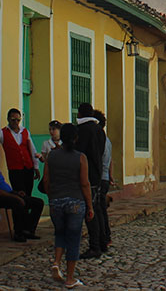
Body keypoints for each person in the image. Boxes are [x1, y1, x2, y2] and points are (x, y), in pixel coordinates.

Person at [44, 123, 94, 288]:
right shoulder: (80, 157)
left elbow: (46, 182)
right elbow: (85, 184)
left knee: (60, 233)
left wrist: (52, 198)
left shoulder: (51, 156)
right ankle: (70, 278)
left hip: (56, 202)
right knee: (73, 238)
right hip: (75, 202)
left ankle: (57, 262)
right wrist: (90, 206)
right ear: (76, 138)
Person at [0, 146, 44, 242]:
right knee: (17, 203)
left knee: (38, 203)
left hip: (8, 194)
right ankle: (18, 232)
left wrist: (16, 193)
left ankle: (28, 230)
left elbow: (4, 186)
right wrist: (15, 197)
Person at [0, 108, 41, 196]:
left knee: (28, 193)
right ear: (8, 119)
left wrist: (36, 166)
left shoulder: (25, 131)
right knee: (19, 194)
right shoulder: (3, 132)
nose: (16, 122)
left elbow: (32, 149)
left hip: (28, 167)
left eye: (18, 120)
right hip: (15, 169)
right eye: (13, 120)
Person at [75, 103, 105, 259]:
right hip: (97, 173)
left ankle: (94, 246)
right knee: (97, 208)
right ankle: (102, 241)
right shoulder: (99, 130)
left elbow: (79, 153)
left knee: (90, 210)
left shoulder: (83, 130)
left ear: (80, 114)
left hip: (87, 174)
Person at [94, 110, 113, 251]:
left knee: (99, 210)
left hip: (99, 178)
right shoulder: (107, 141)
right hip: (105, 177)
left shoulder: (98, 140)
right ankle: (105, 237)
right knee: (101, 210)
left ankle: (103, 238)